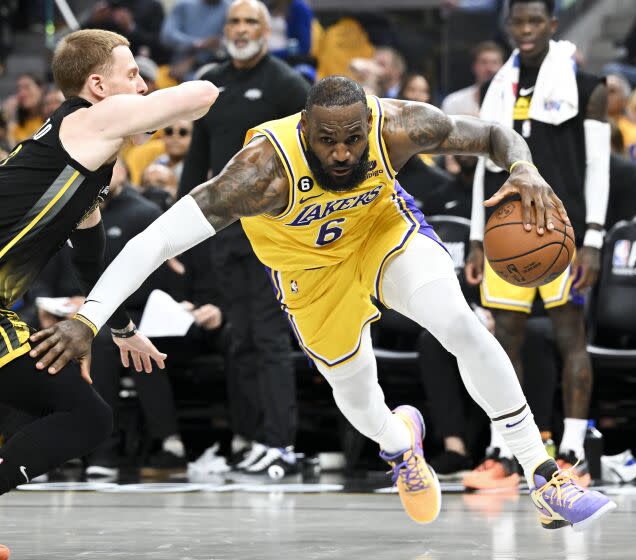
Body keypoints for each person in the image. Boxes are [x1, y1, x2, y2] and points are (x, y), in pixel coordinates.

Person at [34, 73, 615, 529]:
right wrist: (90, 318)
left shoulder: (403, 125)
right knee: (357, 398)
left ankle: (541, 474)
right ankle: (399, 446)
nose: (341, 154)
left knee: (459, 323)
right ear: (305, 128)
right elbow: (152, 241)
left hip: (383, 234)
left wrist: (525, 167)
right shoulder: (258, 172)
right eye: (327, 141)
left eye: (353, 139)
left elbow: (491, 135)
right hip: (309, 274)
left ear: (371, 124)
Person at [0, 28, 218, 497]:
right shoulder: (93, 119)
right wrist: (227, 84)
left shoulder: (84, 161)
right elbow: (198, 96)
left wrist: (120, 328)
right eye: (135, 75)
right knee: (86, 418)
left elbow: (91, 265)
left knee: (53, 413)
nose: (143, 87)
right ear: (99, 86)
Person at [464, 0, 610, 489]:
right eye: (517, 21)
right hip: (508, 235)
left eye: (534, 21)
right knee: (502, 341)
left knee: (571, 335)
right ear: (508, 25)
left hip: (562, 235)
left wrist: (592, 240)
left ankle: (572, 451)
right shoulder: (493, 89)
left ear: (553, 25)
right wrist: (474, 238)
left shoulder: (588, 88)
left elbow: (598, 170)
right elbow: (485, 168)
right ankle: (504, 451)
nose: (524, 30)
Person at [179, 0, 309, 474]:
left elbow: (313, 155)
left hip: (274, 235)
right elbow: (197, 163)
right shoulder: (213, 83)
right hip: (225, 236)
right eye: (233, 21)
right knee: (241, 341)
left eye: (250, 21)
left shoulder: (287, 84)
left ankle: (280, 444)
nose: (240, 28)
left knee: (271, 340)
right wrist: (179, 228)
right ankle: (254, 438)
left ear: (267, 30)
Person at [441, 41, 504, 118]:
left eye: (495, 63)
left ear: (503, 67)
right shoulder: (454, 102)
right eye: (484, 62)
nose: (489, 68)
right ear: (474, 66)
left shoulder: (511, 101)